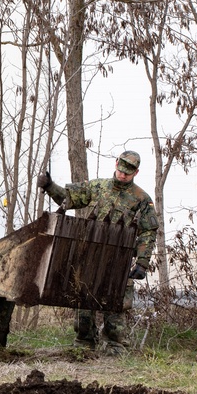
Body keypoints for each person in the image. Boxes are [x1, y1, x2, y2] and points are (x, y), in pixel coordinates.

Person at [36, 150, 158, 354]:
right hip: (90, 257)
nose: (122, 175)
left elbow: (148, 232)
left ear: (136, 173)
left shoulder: (141, 199)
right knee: (83, 302)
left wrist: (142, 263)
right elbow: (69, 198)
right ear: (116, 163)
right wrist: (49, 186)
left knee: (115, 308)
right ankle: (84, 345)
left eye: (128, 172)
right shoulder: (97, 187)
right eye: (121, 170)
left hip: (118, 260)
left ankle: (114, 347)